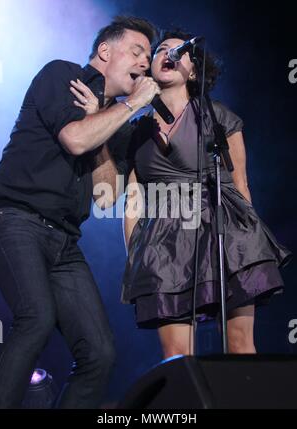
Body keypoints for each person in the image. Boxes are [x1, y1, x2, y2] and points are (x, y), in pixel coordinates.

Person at [0, 16, 160, 409]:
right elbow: (73, 139)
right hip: (16, 218)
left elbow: (106, 197)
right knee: (35, 320)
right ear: (106, 51)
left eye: (149, 57)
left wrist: (105, 122)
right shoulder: (62, 75)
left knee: (100, 354)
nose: (145, 63)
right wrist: (134, 104)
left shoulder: (117, 125)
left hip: (65, 242)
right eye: (137, 51)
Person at [118, 30, 292, 359]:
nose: (167, 55)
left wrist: (250, 242)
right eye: (160, 51)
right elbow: (132, 203)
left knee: (239, 346)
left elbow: (240, 184)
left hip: (224, 233)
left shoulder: (218, 116)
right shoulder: (134, 131)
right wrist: (136, 260)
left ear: (194, 70)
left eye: (177, 51)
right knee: (178, 357)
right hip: (164, 246)